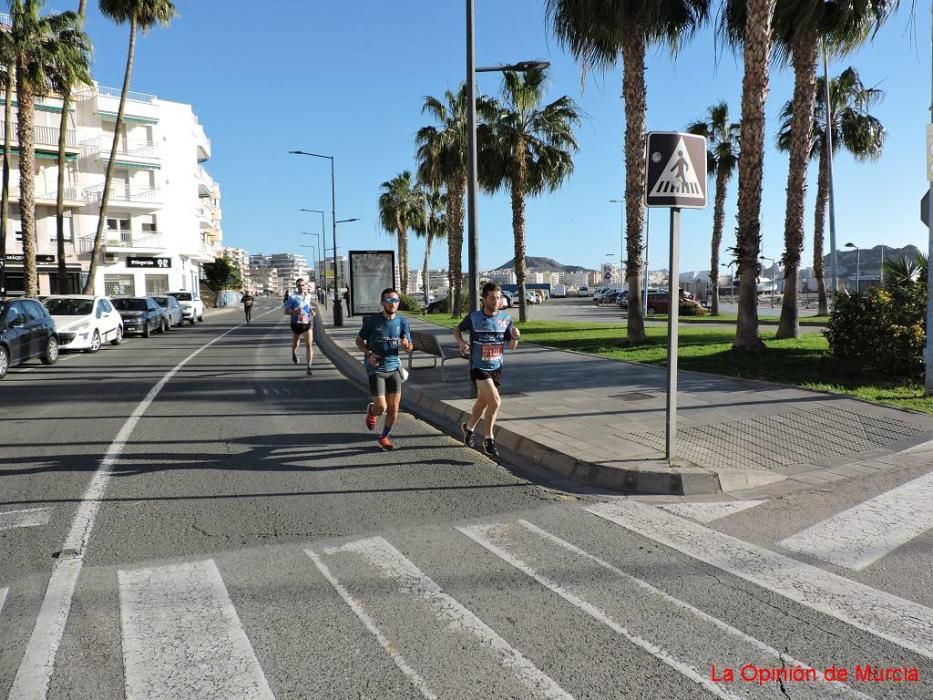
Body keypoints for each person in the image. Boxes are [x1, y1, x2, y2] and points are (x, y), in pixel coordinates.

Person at [453, 282, 520, 457]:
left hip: (496, 367)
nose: (496, 301)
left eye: (498, 298)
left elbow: (511, 346)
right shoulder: (474, 317)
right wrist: (461, 343)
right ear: (484, 299)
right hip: (478, 367)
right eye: (492, 298)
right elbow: (457, 330)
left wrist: (515, 337)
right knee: (495, 401)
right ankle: (489, 439)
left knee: (483, 402)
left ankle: (468, 428)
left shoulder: (506, 319)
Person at [355, 288, 413, 451]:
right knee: (382, 407)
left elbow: (409, 347)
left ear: (398, 303)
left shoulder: (403, 322)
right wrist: (369, 353)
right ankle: (372, 411)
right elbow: (359, 341)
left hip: (394, 367)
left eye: (395, 300)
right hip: (376, 368)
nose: (392, 303)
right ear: (382, 303)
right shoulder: (373, 321)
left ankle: (384, 437)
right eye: (388, 300)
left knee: (394, 408)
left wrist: (407, 346)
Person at [284, 278, 315, 375]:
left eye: (302, 285)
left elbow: (307, 307)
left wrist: (311, 312)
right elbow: (286, 311)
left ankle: (309, 367)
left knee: (309, 345)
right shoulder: (292, 297)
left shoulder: (309, 296)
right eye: (299, 285)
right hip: (296, 323)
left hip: (307, 323)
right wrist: (294, 312)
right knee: (296, 343)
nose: (301, 287)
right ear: (296, 286)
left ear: (305, 286)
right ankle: (293, 353)